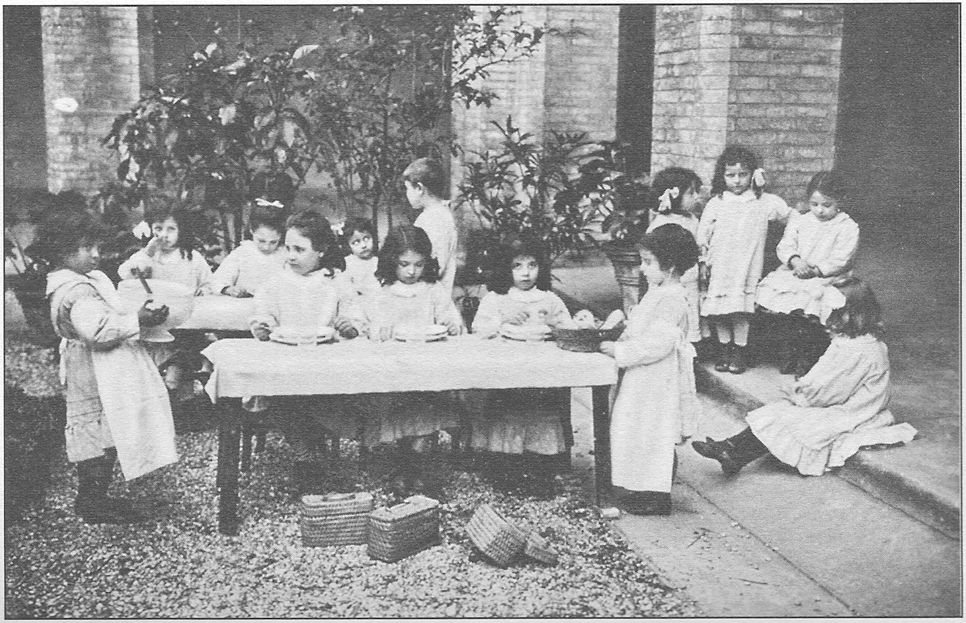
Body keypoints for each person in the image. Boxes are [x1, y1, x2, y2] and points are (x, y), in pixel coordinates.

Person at [692, 277, 916, 476]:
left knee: (790, 419)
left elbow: (833, 391)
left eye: (835, 313)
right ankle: (731, 450)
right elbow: (826, 377)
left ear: (852, 314)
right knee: (777, 412)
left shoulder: (859, 350)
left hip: (854, 410)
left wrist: (803, 394)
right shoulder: (852, 342)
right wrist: (805, 387)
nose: (828, 319)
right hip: (839, 400)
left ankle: (732, 452)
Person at [39, 208, 177, 524]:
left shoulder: (82, 281)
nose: (95, 254)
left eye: (97, 246)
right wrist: (137, 320)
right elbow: (98, 330)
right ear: (62, 250)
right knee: (95, 435)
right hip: (91, 370)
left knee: (106, 431)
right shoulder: (76, 291)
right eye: (87, 247)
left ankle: (96, 496)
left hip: (97, 366)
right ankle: (90, 500)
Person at [248, 210, 358, 494]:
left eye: (299, 249)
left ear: (321, 250)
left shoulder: (336, 282)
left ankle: (312, 449)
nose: (291, 256)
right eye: (288, 248)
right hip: (286, 362)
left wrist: (349, 326)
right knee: (283, 395)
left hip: (326, 363)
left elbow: (355, 317)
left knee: (324, 396)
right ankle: (305, 453)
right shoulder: (276, 282)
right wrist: (263, 326)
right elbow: (263, 312)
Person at [599, 224, 700, 516]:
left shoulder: (672, 298)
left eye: (648, 262)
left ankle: (656, 495)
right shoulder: (658, 291)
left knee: (653, 431)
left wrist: (621, 351)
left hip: (657, 377)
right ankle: (639, 486)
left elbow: (659, 343)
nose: (642, 269)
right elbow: (643, 325)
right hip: (643, 375)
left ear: (670, 266)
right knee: (636, 429)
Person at [468, 235, 576, 494]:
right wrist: (501, 319)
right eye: (517, 266)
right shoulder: (496, 298)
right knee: (509, 413)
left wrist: (557, 326)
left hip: (541, 368)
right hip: (508, 369)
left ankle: (540, 467)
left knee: (540, 413)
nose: (526, 273)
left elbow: (567, 327)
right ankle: (507, 466)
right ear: (506, 268)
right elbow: (478, 329)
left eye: (532, 265)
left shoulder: (549, 299)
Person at [363, 225, 463, 497]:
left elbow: (451, 320)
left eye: (418, 265)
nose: (411, 272)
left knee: (425, 410)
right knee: (399, 410)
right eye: (404, 264)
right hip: (395, 368)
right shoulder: (384, 292)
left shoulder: (433, 290)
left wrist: (452, 325)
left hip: (428, 368)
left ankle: (418, 465)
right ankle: (404, 462)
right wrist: (378, 331)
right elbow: (370, 326)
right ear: (391, 261)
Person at [696, 146, 793, 374]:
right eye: (731, 175)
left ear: (753, 174)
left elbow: (792, 217)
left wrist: (793, 247)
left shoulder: (764, 201)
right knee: (720, 311)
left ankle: (740, 350)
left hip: (746, 267)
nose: (737, 180)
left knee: (740, 310)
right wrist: (703, 262)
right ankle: (724, 349)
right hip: (720, 266)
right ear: (722, 176)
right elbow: (703, 235)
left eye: (743, 174)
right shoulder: (717, 203)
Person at [756, 170, 860, 376]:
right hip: (797, 271)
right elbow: (786, 245)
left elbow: (842, 258)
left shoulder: (847, 226)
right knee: (787, 304)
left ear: (839, 201)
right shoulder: (801, 221)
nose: (820, 210)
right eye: (814, 204)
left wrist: (816, 270)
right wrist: (795, 261)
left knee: (813, 304)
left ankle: (808, 356)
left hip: (827, 277)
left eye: (827, 205)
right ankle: (790, 352)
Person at [118, 206, 214, 402]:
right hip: (156, 319)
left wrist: (203, 291)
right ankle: (165, 390)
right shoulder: (148, 257)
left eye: (171, 229)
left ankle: (180, 392)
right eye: (158, 229)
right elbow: (125, 273)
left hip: (185, 321)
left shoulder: (192, 258)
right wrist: (147, 253)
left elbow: (208, 283)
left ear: (181, 231)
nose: (164, 235)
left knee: (187, 345)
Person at [646, 167, 709, 353]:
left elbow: (700, 244)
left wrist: (703, 263)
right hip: (670, 282)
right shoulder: (661, 224)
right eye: (690, 193)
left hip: (690, 279)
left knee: (690, 313)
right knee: (670, 315)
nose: (696, 197)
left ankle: (692, 349)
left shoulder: (692, 220)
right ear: (674, 196)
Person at [404, 157, 458, 293]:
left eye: (407, 188)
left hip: (430, 294)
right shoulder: (440, 214)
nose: (406, 194)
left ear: (419, 188)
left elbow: (436, 266)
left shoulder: (433, 220)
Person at [212, 205, 287, 297]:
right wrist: (229, 289)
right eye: (261, 241)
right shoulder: (243, 252)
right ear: (252, 231)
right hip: (245, 302)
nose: (266, 247)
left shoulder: (284, 254)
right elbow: (219, 279)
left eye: (273, 242)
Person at [338, 216, 380, 301]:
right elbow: (346, 289)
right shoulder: (348, 263)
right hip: (357, 302)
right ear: (348, 246)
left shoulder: (378, 261)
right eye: (356, 242)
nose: (363, 245)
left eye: (366, 238)